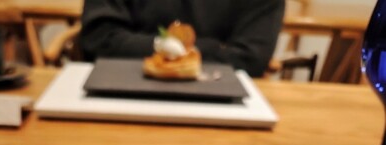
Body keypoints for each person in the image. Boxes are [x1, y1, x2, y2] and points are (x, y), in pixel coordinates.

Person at [80, 0, 285, 78]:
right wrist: (214, 49)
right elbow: (98, 39)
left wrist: (139, 45)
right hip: (120, 92)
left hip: (223, 106)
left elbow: (250, 59)